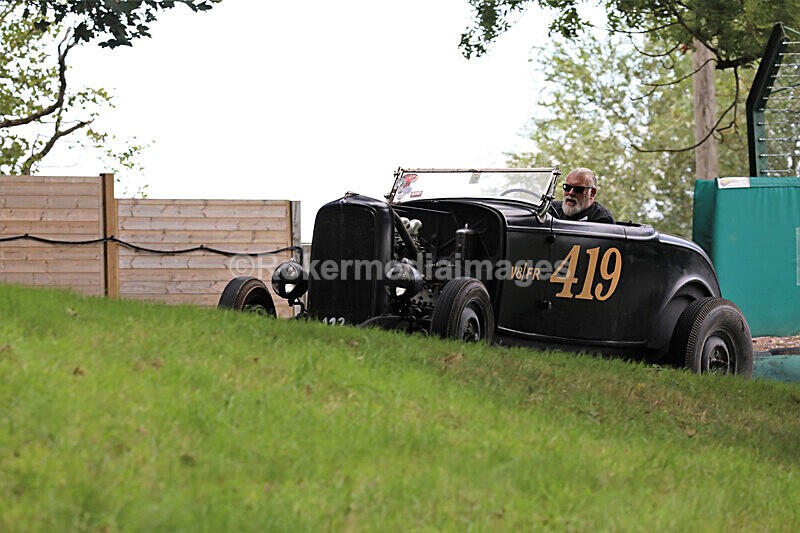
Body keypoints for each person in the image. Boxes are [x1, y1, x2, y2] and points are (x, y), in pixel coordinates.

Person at [550, 167, 615, 224]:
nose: (570, 193)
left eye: (578, 189)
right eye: (567, 187)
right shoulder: (551, 210)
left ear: (592, 193)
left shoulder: (601, 219)